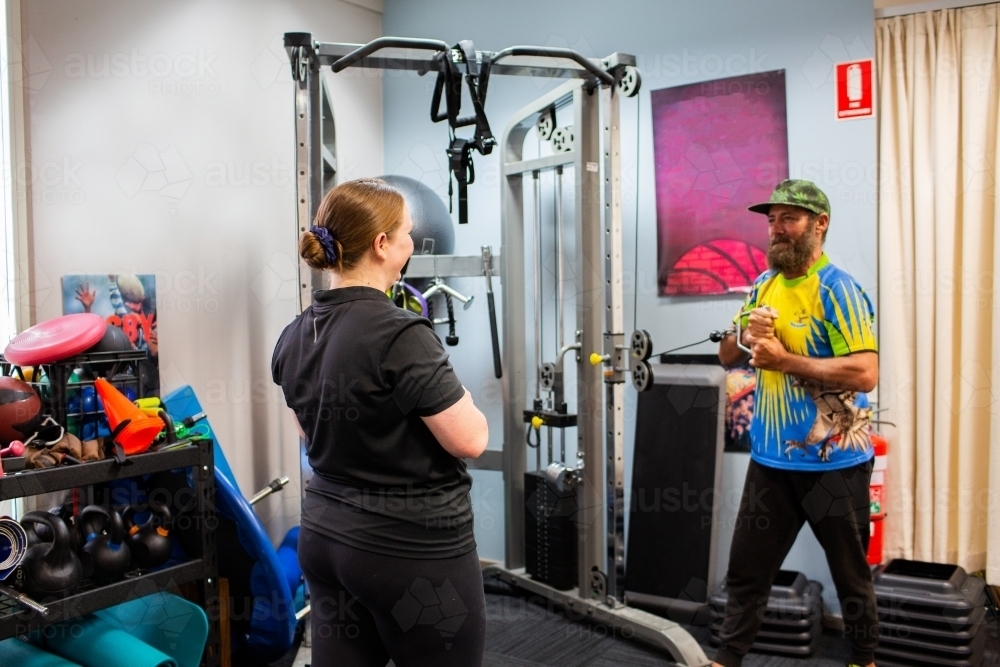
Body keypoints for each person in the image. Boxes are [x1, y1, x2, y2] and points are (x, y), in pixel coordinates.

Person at [271, 178, 489, 667]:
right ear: (382, 244)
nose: (413, 245)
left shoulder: (293, 334)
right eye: (407, 234)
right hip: (408, 552)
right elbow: (471, 439)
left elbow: (311, 432)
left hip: (326, 542)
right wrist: (464, 397)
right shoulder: (400, 333)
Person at [715, 179, 879, 667]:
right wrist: (744, 331)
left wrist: (786, 360)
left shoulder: (839, 290)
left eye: (789, 219)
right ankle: (725, 659)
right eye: (771, 221)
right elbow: (728, 356)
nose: (776, 229)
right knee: (746, 572)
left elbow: (866, 370)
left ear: (819, 225)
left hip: (836, 464)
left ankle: (864, 659)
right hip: (771, 460)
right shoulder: (763, 286)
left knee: (850, 576)